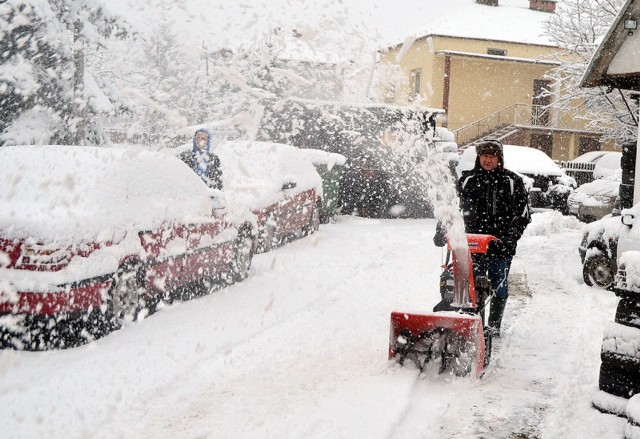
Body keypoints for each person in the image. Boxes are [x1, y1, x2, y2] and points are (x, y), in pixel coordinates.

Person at [434, 139, 531, 336]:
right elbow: (451, 209)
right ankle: (467, 323)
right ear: (479, 158)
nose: (488, 160)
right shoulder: (468, 180)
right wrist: (441, 230)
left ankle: (493, 327)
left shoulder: (512, 182)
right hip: (470, 244)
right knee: (466, 286)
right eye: (484, 156)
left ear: (499, 159)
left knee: (498, 286)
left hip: (500, 245)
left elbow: (524, 214)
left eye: (492, 156)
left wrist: (511, 237)